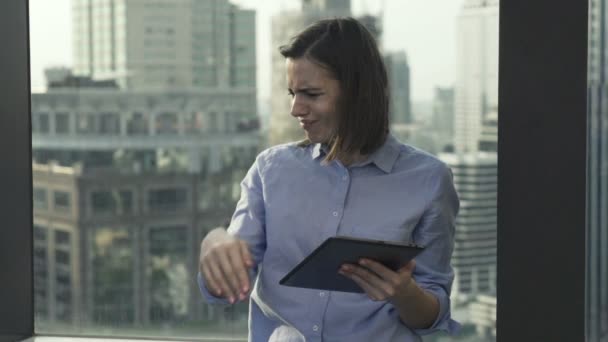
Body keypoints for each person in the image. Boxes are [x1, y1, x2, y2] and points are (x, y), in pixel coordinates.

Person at [198, 17, 460, 342]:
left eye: (311, 93)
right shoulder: (270, 170)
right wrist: (215, 245)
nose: (295, 108)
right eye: (292, 93)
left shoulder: (429, 181)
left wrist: (404, 293)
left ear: (357, 92)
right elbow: (224, 288)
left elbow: (433, 317)